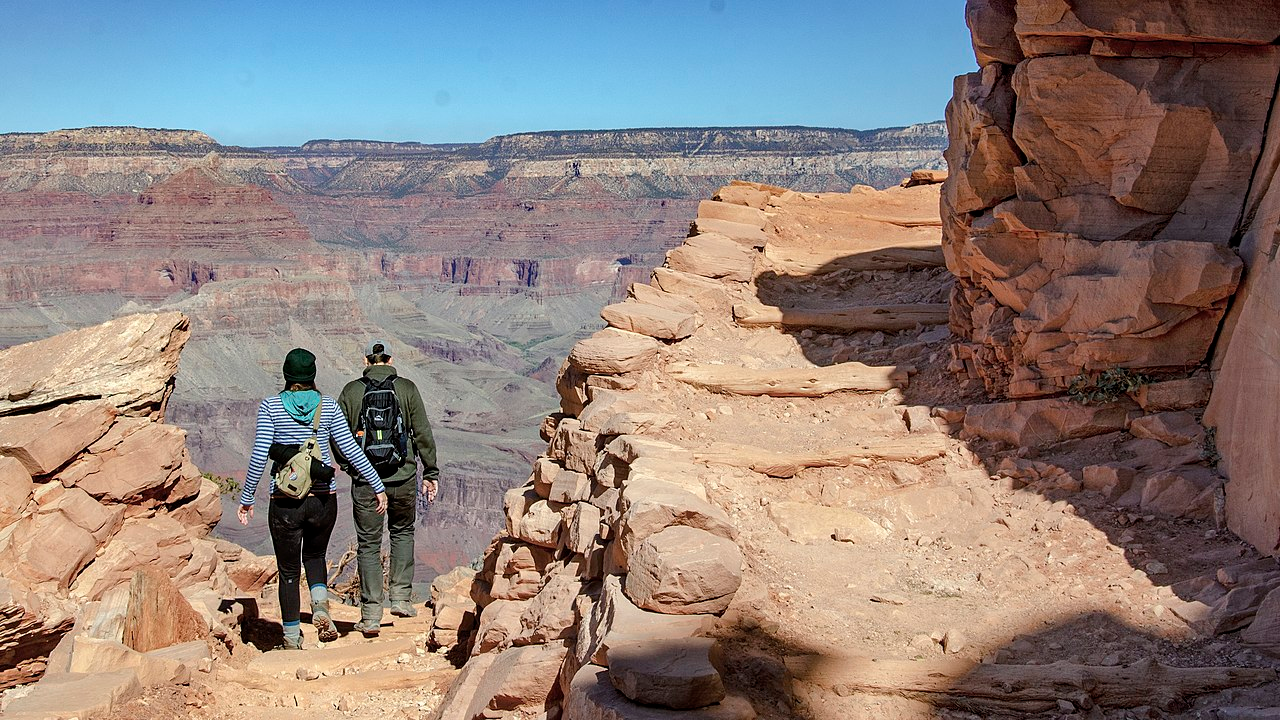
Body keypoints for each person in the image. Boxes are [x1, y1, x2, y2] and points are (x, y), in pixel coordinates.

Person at [238, 347, 388, 650]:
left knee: (289, 571)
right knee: (316, 557)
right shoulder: (328, 406)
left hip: (285, 501)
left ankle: (292, 638)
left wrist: (247, 497)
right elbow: (350, 450)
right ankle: (320, 606)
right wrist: (377, 485)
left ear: (287, 375)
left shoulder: (270, 406)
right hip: (322, 499)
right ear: (312, 375)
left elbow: (259, 455)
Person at [337, 339, 439, 637]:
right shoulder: (407, 388)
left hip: (366, 481)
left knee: (369, 544)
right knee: (402, 531)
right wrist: (430, 471)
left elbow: (337, 434)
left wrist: (350, 467)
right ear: (390, 359)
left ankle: (370, 614)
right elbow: (422, 433)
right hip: (403, 476)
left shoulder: (352, 391)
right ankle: (401, 599)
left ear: (366, 361)